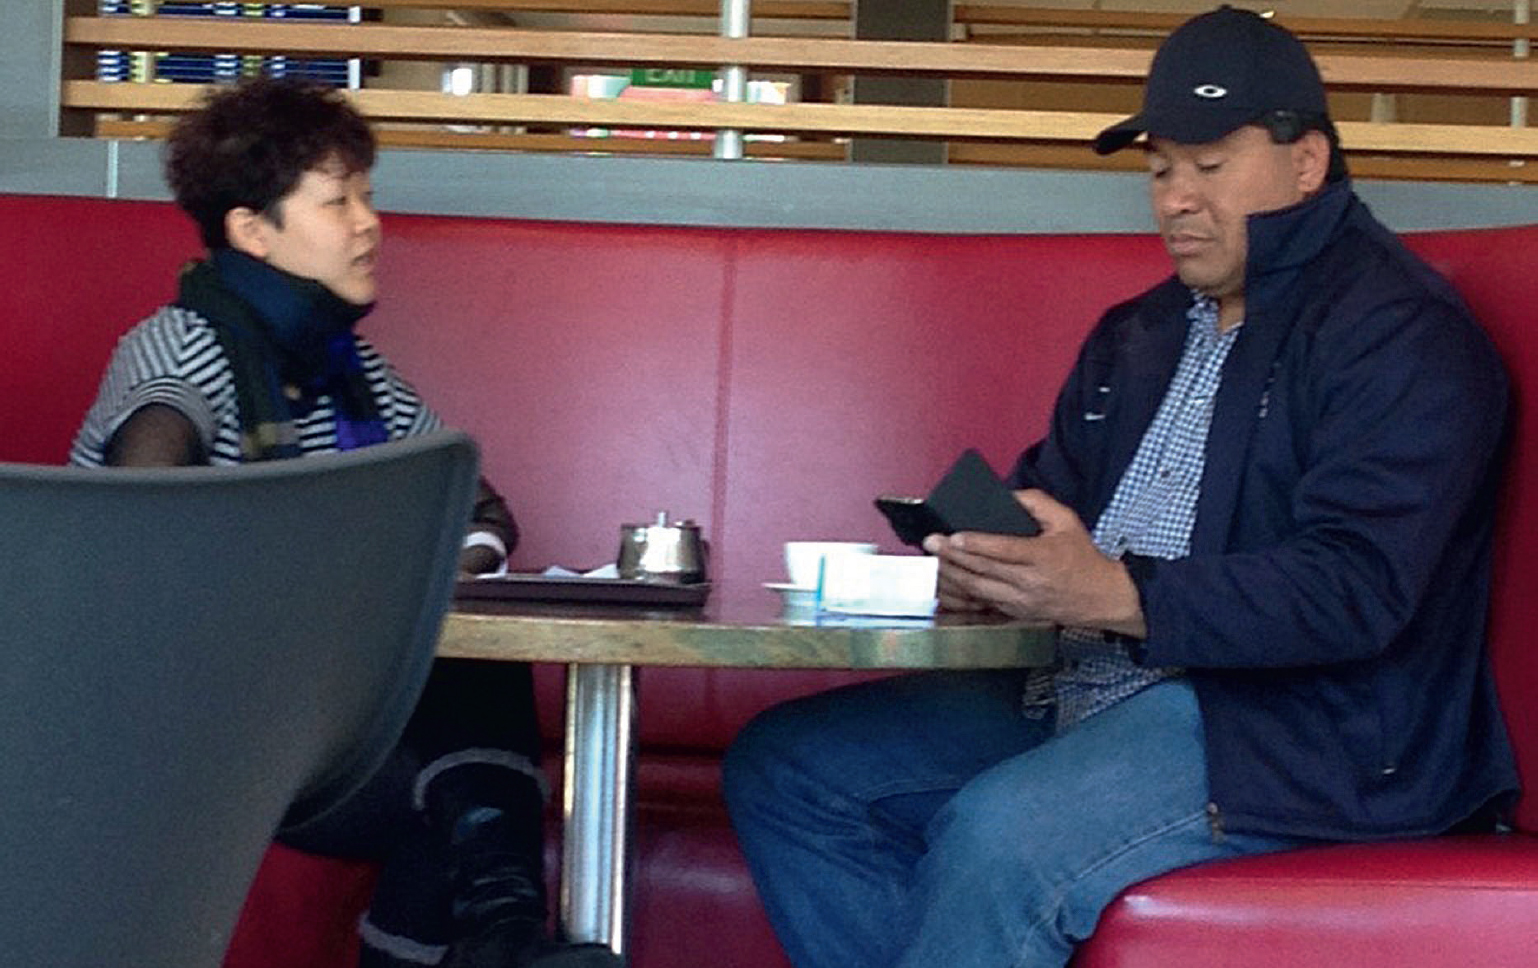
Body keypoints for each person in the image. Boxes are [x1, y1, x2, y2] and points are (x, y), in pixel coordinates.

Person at [722, 8, 1519, 968]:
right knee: (793, 769)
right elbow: (1054, 500)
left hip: (1297, 729)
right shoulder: (1138, 334)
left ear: (1306, 164)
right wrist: (993, 564)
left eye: (1209, 167)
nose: (1176, 199)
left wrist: (1114, 594)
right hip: (1086, 684)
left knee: (1001, 835)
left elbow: (1357, 587)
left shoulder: (1399, 333)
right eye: (1158, 169)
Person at [70, 77, 620, 968]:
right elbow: (141, 512)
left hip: (311, 726)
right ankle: (502, 936)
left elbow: (471, 497)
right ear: (254, 231)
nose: (369, 222)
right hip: (199, 732)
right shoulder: (179, 347)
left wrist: (455, 561)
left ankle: (503, 933)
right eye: (338, 200)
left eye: (367, 194)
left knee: (456, 663)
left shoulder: (346, 368)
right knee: (451, 755)